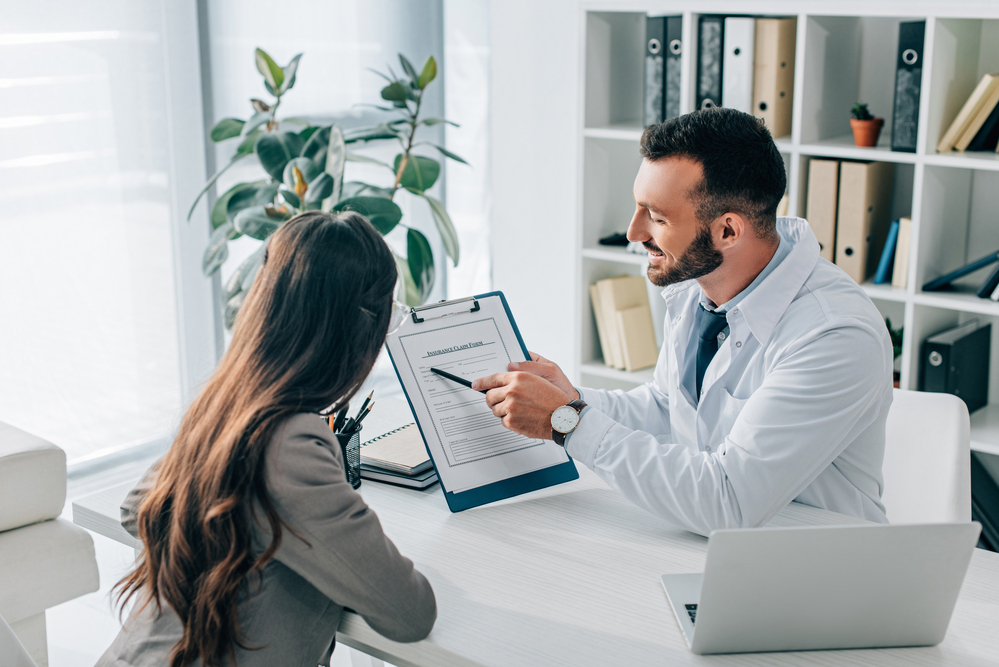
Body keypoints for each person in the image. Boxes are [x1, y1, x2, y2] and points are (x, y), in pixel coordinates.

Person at [474, 108, 893, 536]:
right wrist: (569, 397)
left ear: (728, 231)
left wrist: (568, 422)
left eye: (656, 217)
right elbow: (667, 409)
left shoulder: (833, 334)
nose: (634, 232)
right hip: (716, 552)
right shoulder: (701, 283)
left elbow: (727, 501)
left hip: (819, 573)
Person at [98, 211, 435, 667]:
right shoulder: (291, 442)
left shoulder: (224, 405)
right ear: (357, 332)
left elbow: (135, 508)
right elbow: (409, 613)